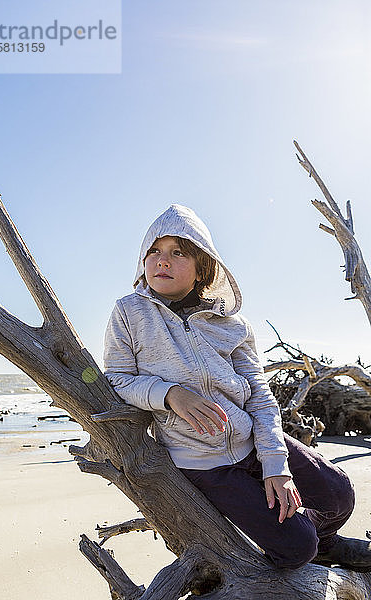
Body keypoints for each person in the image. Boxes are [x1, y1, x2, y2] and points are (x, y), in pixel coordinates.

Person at [103, 204, 371, 571]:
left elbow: (260, 397)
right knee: (296, 549)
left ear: (202, 268)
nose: (162, 261)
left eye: (177, 252)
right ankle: (304, 541)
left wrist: (275, 464)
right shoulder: (129, 313)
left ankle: (325, 543)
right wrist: (168, 394)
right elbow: (116, 379)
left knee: (339, 495)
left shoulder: (233, 325)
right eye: (154, 251)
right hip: (201, 462)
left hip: (251, 443)